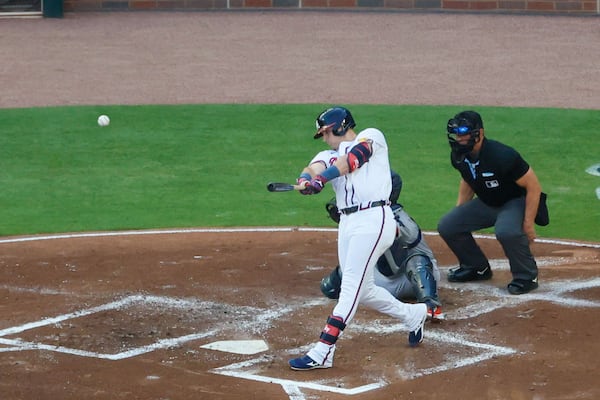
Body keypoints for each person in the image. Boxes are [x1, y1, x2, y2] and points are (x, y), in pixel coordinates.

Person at [288, 106, 427, 371]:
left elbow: (353, 160)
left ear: (340, 127)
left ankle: (323, 351)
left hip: (374, 219)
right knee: (364, 290)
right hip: (348, 223)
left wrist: (323, 179)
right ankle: (413, 315)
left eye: (327, 132)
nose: (326, 138)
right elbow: (314, 166)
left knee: (349, 290)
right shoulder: (328, 155)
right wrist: (307, 180)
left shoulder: (371, 137)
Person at [437, 110, 548, 295]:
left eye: (464, 133)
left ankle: (526, 276)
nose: (460, 138)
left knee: (507, 232)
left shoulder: (502, 156)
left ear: (479, 133)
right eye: (457, 133)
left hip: (514, 201)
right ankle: (476, 268)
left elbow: (533, 187)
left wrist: (528, 224)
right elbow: (468, 180)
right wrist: (460, 211)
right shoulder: (459, 156)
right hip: (488, 202)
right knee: (448, 225)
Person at [321, 170, 444, 320]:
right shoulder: (367, 215)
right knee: (334, 283)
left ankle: (430, 304)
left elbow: (394, 234)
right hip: (384, 283)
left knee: (417, 259)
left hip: (410, 281)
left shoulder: (402, 221)